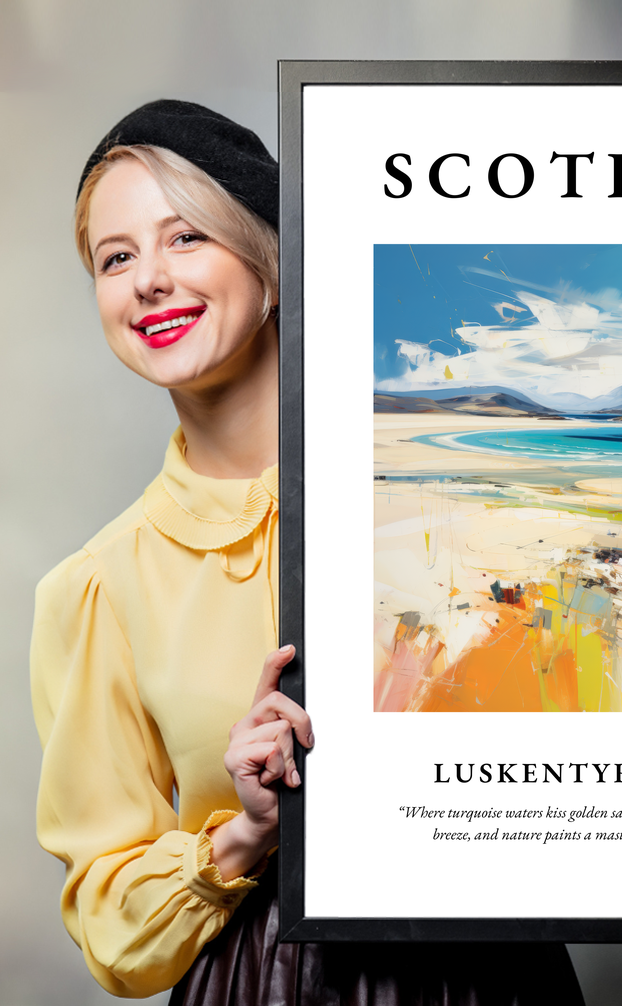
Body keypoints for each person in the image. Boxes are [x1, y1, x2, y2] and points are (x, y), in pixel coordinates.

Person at [30, 100, 585, 1004]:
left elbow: (616, 708)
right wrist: (245, 832)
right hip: (263, 982)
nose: (148, 281)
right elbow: (110, 924)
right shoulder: (97, 587)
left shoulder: (458, 499)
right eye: (116, 257)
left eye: (186, 239)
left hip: (492, 973)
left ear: (273, 264)